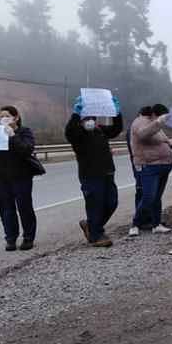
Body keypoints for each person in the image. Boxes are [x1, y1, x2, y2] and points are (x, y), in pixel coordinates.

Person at [66, 95, 124, 247]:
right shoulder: (77, 134)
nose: (90, 120)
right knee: (95, 204)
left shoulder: (100, 130)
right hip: (90, 175)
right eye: (86, 117)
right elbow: (70, 132)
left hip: (107, 172)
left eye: (92, 117)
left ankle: (91, 226)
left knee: (112, 202)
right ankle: (96, 235)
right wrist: (76, 113)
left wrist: (116, 113)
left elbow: (116, 129)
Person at [0, 105, 37, 251]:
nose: (3, 119)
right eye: (1, 116)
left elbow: (26, 149)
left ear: (15, 117)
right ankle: (10, 238)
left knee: (25, 208)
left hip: (21, 177)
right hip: (1, 177)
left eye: (6, 116)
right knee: (6, 209)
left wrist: (12, 136)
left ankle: (28, 238)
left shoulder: (24, 132)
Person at [129, 104, 172, 236]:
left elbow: (160, 141)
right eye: (162, 117)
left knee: (157, 197)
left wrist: (170, 142)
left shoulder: (156, 125)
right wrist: (158, 122)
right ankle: (135, 223)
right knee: (148, 197)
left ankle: (156, 224)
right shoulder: (140, 122)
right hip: (149, 165)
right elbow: (143, 134)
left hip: (164, 165)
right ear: (154, 114)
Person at [126, 113, 150, 230]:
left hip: (144, 164)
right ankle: (139, 220)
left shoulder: (141, 128)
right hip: (139, 165)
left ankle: (147, 218)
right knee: (142, 192)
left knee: (147, 192)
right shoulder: (134, 129)